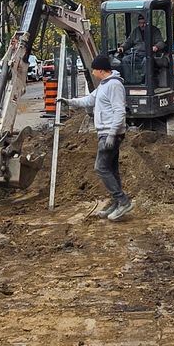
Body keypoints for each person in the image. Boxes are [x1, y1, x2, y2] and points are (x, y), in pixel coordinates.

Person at [69, 52, 131, 221]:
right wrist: (70, 101)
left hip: (110, 134)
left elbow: (119, 111)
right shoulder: (104, 85)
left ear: (100, 70)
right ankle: (117, 202)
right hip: (105, 133)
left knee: (100, 167)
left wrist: (111, 135)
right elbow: (89, 100)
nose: (92, 73)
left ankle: (122, 201)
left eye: (93, 70)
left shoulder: (114, 85)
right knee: (111, 169)